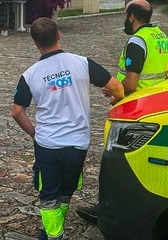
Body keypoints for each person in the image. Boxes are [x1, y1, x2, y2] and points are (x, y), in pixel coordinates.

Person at [11, 17, 124, 240]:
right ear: (59, 36)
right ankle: (54, 230)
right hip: (78, 143)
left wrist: (34, 133)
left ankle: (53, 234)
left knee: (48, 194)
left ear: (35, 43)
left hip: (48, 144)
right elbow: (117, 87)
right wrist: (115, 101)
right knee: (66, 190)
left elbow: (16, 111)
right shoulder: (82, 63)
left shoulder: (30, 74)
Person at [77, 0, 168, 223]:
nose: (124, 19)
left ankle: (108, 211)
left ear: (131, 17)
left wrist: (113, 92)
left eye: (124, 14)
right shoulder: (160, 36)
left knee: (115, 163)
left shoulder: (137, 42)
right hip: (157, 103)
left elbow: (130, 82)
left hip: (135, 108)